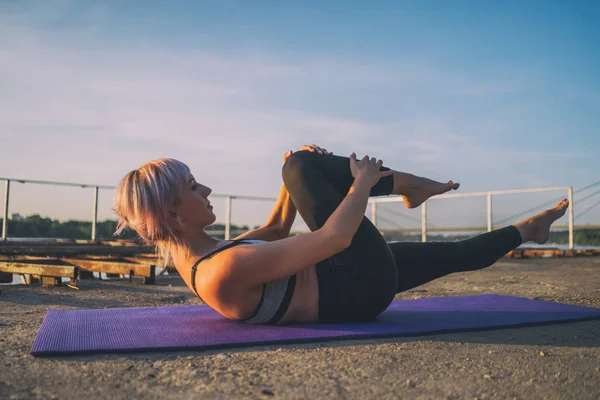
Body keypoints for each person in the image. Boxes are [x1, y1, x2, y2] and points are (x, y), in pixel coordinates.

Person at [114, 144, 569, 325]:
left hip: (350, 278)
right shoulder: (221, 271)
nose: (207, 189)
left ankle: (528, 229)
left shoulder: (205, 255)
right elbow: (334, 238)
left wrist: (288, 181)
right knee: (300, 166)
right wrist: (362, 184)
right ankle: (408, 185)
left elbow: (276, 229)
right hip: (354, 285)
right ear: (172, 214)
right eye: (194, 187)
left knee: (451, 254)